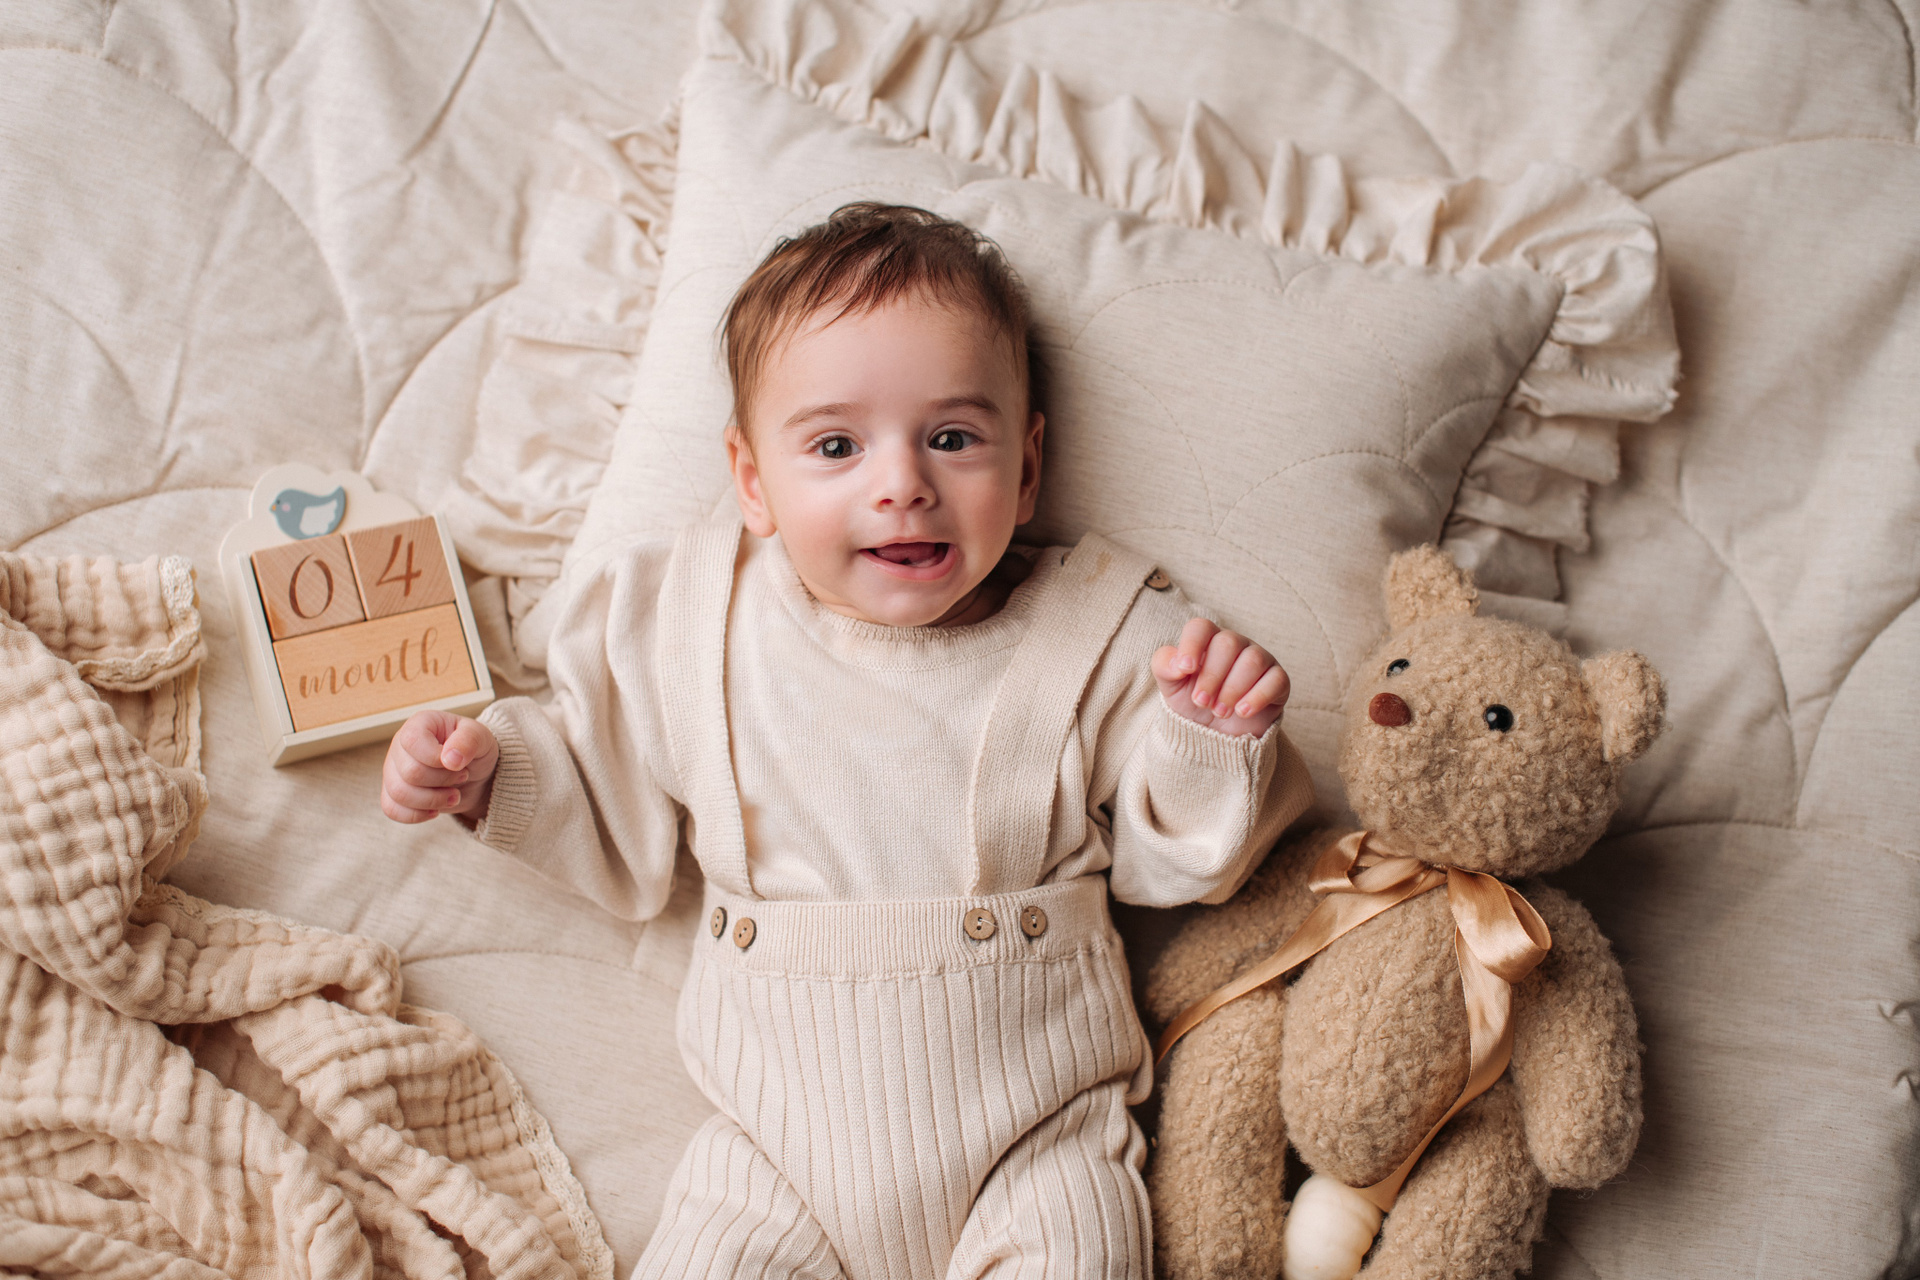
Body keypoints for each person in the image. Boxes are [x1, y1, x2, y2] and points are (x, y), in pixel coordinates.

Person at [379, 203, 1313, 1278]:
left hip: (1037, 1145)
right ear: (751, 482)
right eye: (835, 446)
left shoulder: (1098, 632)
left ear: (1027, 467)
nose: (902, 482)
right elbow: (602, 781)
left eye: (953, 438)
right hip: (773, 1161)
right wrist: (490, 771)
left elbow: (1178, 866)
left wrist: (1208, 739)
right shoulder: (693, 618)